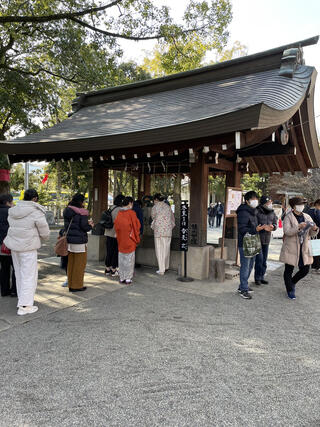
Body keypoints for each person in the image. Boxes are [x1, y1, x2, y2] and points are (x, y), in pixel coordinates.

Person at [4, 189, 50, 315]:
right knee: (29, 276)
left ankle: (22, 301)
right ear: (34, 198)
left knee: (19, 274)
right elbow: (44, 230)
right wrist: (44, 237)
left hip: (15, 247)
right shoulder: (36, 211)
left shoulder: (13, 210)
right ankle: (26, 306)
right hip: (28, 247)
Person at [279, 197, 318, 299]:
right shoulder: (288, 217)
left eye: (303, 204)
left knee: (305, 269)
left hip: (304, 247)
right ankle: (290, 290)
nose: (302, 206)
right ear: (294, 206)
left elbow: (312, 233)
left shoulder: (307, 216)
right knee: (289, 269)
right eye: (300, 204)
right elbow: (287, 232)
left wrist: (315, 228)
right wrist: (298, 226)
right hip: (291, 247)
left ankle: (292, 282)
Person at [236, 191, 265, 300]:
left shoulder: (254, 211)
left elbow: (255, 226)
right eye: (253, 199)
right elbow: (242, 229)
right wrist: (255, 229)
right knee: (245, 265)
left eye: (256, 199)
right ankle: (243, 289)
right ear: (247, 201)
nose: (255, 201)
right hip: (245, 242)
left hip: (253, 240)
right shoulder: (243, 211)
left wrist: (262, 228)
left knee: (251, 264)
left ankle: (242, 286)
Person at [63, 194, 93, 292]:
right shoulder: (82, 213)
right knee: (79, 264)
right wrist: (91, 225)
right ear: (81, 201)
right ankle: (77, 285)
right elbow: (84, 227)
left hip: (69, 241)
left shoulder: (67, 210)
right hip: (79, 241)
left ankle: (71, 284)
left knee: (71, 263)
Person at [114, 196, 141, 285]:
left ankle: (122, 277)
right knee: (129, 259)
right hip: (130, 239)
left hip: (121, 238)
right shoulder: (131, 213)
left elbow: (116, 227)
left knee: (121, 259)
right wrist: (137, 238)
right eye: (132, 203)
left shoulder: (119, 213)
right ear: (130, 203)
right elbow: (136, 226)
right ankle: (128, 278)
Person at [254, 196, 278, 285]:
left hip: (267, 238)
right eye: (268, 203)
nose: (270, 204)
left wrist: (273, 227)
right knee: (259, 259)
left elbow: (275, 222)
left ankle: (262, 276)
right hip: (257, 238)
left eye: (270, 202)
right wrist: (262, 227)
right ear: (263, 203)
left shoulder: (272, 212)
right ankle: (257, 278)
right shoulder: (256, 211)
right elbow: (254, 223)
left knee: (264, 259)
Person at [151, 193, 175, 275]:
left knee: (159, 250)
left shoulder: (155, 207)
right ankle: (166, 266)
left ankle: (161, 269)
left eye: (154, 200)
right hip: (168, 231)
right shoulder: (168, 207)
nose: (154, 201)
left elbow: (153, 217)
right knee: (166, 249)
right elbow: (172, 218)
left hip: (159, 232)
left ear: (156, 200)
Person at [103, 194, 125, 277]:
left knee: (109, 251)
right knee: (115, 252)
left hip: (108, 233)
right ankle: (113, 269)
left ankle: (107, 269)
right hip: (116, 234)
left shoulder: (111, 207)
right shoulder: (121, 210)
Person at [0, 194, 16, 297]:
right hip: (10, 245)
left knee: (4, 268)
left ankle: (4, 291)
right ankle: (14, 290)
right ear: (7, 202)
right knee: (16, 267)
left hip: (0, 246)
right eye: (12, 202)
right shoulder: (10, 212)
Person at [311, 199, 320, 273]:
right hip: (315, 232)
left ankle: (315, 266)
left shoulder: (313, 211)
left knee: (316, 250)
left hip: (315, 232)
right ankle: (316, 266)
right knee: (316, 250)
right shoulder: (314, 211)